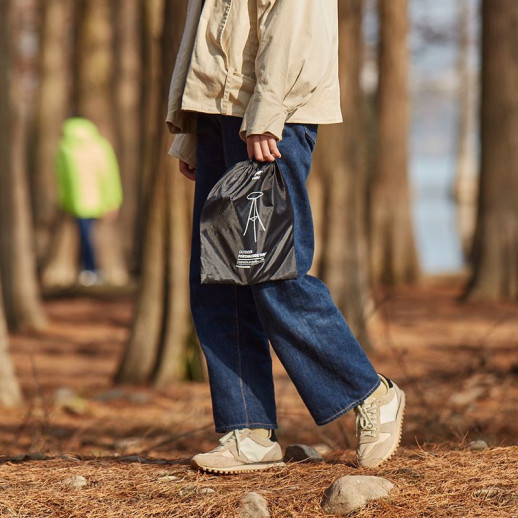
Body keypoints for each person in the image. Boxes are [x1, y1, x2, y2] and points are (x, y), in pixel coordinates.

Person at [166, 0, 405, 474]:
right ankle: (248, 430)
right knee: (216, 277)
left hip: (269, 116)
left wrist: (267, 110)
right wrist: (191, 127)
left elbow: (294, 21)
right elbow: (205, 31)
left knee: (273, 271)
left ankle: (369, 393)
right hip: (219, 114)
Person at [56, 117, 123, 286]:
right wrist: (113, 201)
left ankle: (90, 270)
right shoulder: (101, 146)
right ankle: (92, 270)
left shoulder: (64, 147)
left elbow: (62, 179)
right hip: (100, 201)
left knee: (85, 237)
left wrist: (65, 201)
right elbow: (110, 176)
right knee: (90, 238)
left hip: (77, 203)